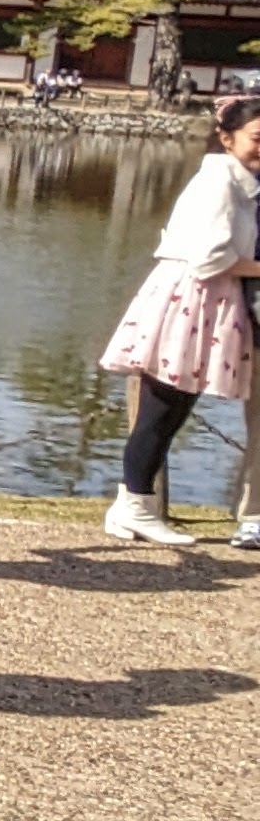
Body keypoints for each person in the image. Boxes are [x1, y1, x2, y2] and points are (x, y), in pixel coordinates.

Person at [95, 92, 260, 546]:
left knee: (168, 411)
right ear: (227, 138)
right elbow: (211, 259)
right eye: (256, 138)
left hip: (203, 299)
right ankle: (135, 506)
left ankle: (132, 506)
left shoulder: (239, 181)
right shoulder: (221, 183)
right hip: (193, 298)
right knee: (162, 408)